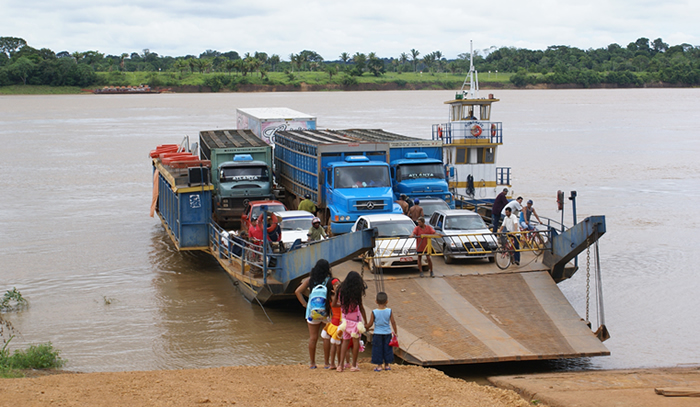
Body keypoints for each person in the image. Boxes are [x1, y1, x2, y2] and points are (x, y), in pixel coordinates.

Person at [294, 259, 334, 369]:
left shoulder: (310, 280)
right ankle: (326, 363)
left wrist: (305, 304)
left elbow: (297, 291)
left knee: (313, 338)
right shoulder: (330, 281)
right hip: (326, 312)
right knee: (326, 337)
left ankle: (312, 363)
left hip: (312, 312)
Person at [334, 271, 367, 372]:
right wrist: (366, 321)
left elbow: (334, 304)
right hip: (355, 320)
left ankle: (340, 365)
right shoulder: (356, 292)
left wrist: (343, 305)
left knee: (345, 341)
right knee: (356, 341)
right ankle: (354, 365)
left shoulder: (340, 290)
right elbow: (361, 307)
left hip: (345, 320)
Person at [365, 291, 398, 371]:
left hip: (377, 333)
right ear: (387, 301)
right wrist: (395, 332)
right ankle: (387, 365)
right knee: (387, 349)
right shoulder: (389, 311)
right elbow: (393, 322)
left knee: (377, 349)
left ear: (376, 301)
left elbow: (370, 323)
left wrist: (365, 327)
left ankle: (379, 366)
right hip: (387, 333)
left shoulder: (374, 312)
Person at [320, 278, 344, 369]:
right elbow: (341, 304)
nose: (338, 286)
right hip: (337, 323)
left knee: (334, 343)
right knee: (338, 344)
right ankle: (339, 364)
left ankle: (333, 363)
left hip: (334, 321)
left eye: (339, 284)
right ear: (331, 288)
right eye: (335, 285)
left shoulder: (332, 296)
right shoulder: (334, 297)